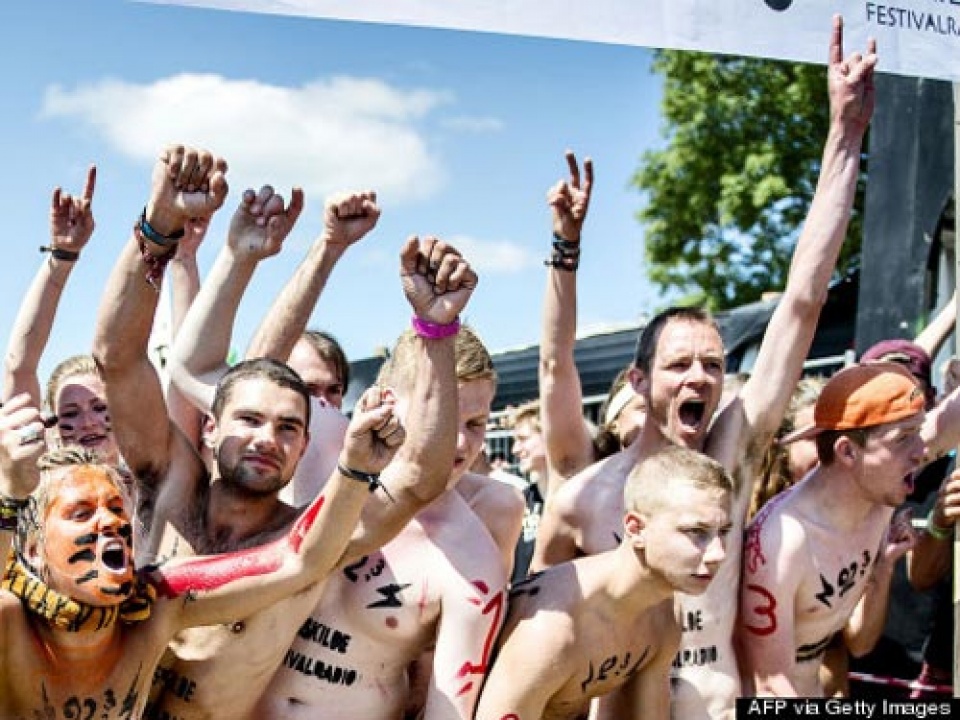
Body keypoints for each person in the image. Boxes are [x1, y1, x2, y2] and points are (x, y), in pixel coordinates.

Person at [532, 17, 880, 718]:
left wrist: (845, 135)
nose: (699, 378)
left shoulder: (730, 456)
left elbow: (803, 305)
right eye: (679, 365)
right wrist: (564, 250)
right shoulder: (587, 494)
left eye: (713, 365)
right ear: (638, 381)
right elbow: (552, 368)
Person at [92, 145, 475, 719]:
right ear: (213, 425)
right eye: (249, 420)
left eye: (289, 427)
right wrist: (159, 226)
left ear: (304, 444)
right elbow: (117, 357)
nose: (267, 438)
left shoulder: (312, 541)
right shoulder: (168, 478)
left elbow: (419, 477)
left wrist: (436, 331)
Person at [0, 379, 403, 719]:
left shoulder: (155, 604)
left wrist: (356, 469)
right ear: (33, 551)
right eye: (81, 513)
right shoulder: (11, 621)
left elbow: (298, 562)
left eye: (114, 509)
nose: (109, 524)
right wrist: (10, 496)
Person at [254, 323, 520, 720]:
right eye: (445, 419)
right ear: (388, 403)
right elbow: (227, 382)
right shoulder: (315, 438)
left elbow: (448, 713)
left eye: (475, 424)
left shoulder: (470, 561)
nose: (460, 443)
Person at [475, 446, 733, 720]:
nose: (719, 554)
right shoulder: (552, 629)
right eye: (696, 532)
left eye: (723, 532)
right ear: (636, 529)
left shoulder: (662, 614)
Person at [739, 363, 923, 696]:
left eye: (919, 432)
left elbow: (861, 644)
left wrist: (882, 568)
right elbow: (769, 683)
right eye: (905, 438)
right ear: (848, 451)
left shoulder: (879, 493)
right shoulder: (782, 541)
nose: (921, 452)